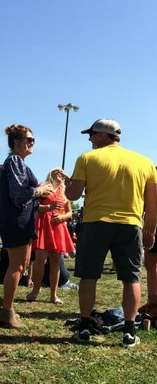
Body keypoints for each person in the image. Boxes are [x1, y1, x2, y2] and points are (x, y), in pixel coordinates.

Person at [66, 119, 156, 347]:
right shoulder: (145, 162)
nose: (89, 139)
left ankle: (85, 327)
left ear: (102, 136)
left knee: (89, 276)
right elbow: (152, 203)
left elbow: (73, 195)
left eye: (92, 134)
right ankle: (128, 332)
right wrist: (151, 231)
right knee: (131, 278)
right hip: (130, 224)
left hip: (96, 223)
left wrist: (66, 183)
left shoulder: (87, 158)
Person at [0, 124, 39, 329]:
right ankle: (6, 312)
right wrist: (42, 189)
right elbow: (20, 192)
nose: (32, 143)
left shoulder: (20, 163)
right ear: (17, 142)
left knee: (21, 265)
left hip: (23, 220)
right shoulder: (14, 160)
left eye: (32, 140)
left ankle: (7, 305)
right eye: (29, 139)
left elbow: (27, 194)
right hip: (16, 221)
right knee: (17, 266)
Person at [27, 169, 75, 304]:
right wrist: (49, 207)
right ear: (50, 175)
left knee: (56, 261)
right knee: (40, 259)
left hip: (58, 227)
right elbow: (35, 207)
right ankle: (36, 290)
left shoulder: (64, 192)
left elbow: (69, 212)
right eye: (57, 173)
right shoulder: (44, 188)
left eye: (61, 174)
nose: (60, 175)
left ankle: (54, 295)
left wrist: (62, 217)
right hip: (44, 226)